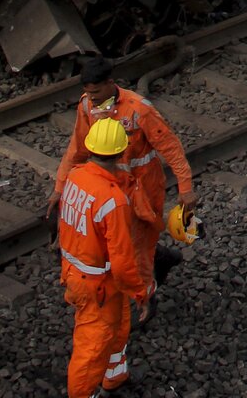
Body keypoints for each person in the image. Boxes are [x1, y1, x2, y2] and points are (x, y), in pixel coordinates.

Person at [48, 57, 195, 302]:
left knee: (139, 246)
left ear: (109, 83)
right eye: (88, 93)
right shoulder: (87, 107)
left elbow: (171, 149)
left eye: (96, 93)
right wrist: (59, 187)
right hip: (109, 189)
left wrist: (186, 188)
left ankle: (144, 298)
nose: (93, 99)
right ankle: (160, 261)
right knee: (118, 241)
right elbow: (77, 149)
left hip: (143, 189)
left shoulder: (139, 110)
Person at [58, 119, 153, 398]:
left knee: (118, 324)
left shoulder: (76, 176)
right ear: (121, 153)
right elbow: (123, 262)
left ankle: (114, 376)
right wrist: (140, 292)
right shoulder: (113, 201)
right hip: (97, 283)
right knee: (91, 350)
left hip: (83, 273)